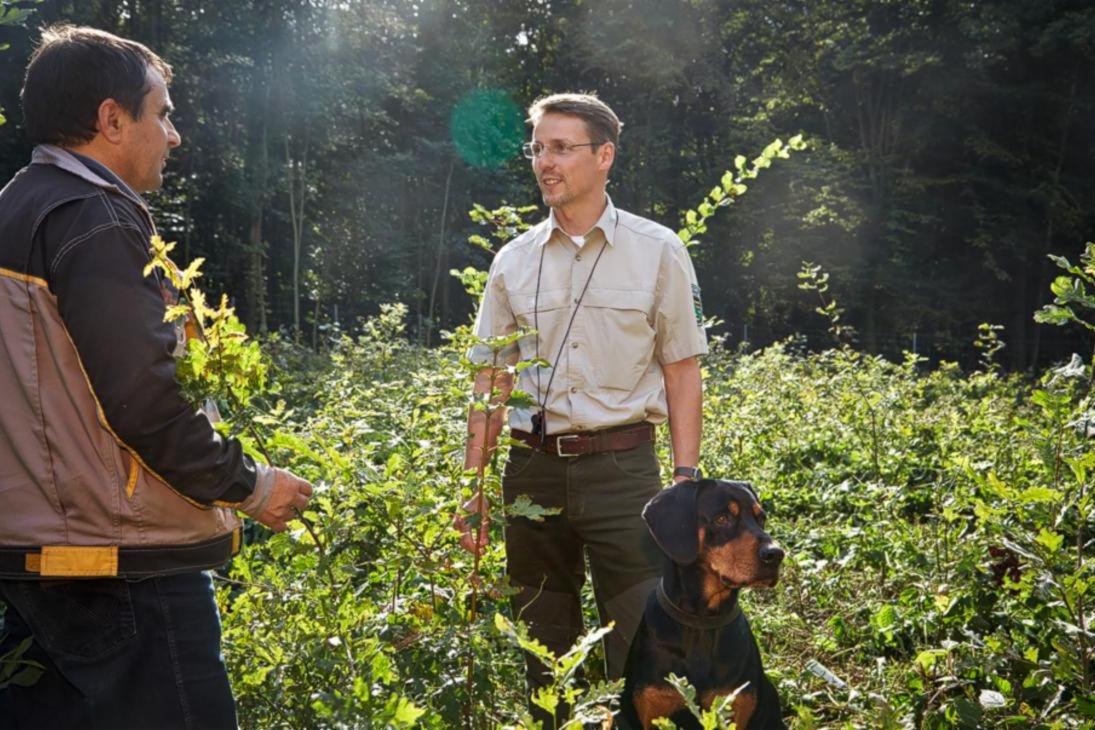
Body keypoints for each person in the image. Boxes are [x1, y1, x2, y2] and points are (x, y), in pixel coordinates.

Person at [0, 25, 313, 729]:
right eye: (163, 113)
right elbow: (143, 402)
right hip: (120, 563)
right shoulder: (93, 219)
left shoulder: (16, 207)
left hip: (35, 560)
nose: (175, 137)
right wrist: (253, 487)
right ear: (112, 120)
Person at [455, 93, 707, 722]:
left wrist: (685, 483)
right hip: (530, 471)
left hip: (624, 475)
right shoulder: (511, 262)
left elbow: (682, 370)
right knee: (543, 649)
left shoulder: (658, 251)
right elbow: (490, 382)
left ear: (604, 156)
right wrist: (473, 486)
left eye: (562, 147)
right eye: (538, 147)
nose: (546, 161)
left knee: (647, 646)